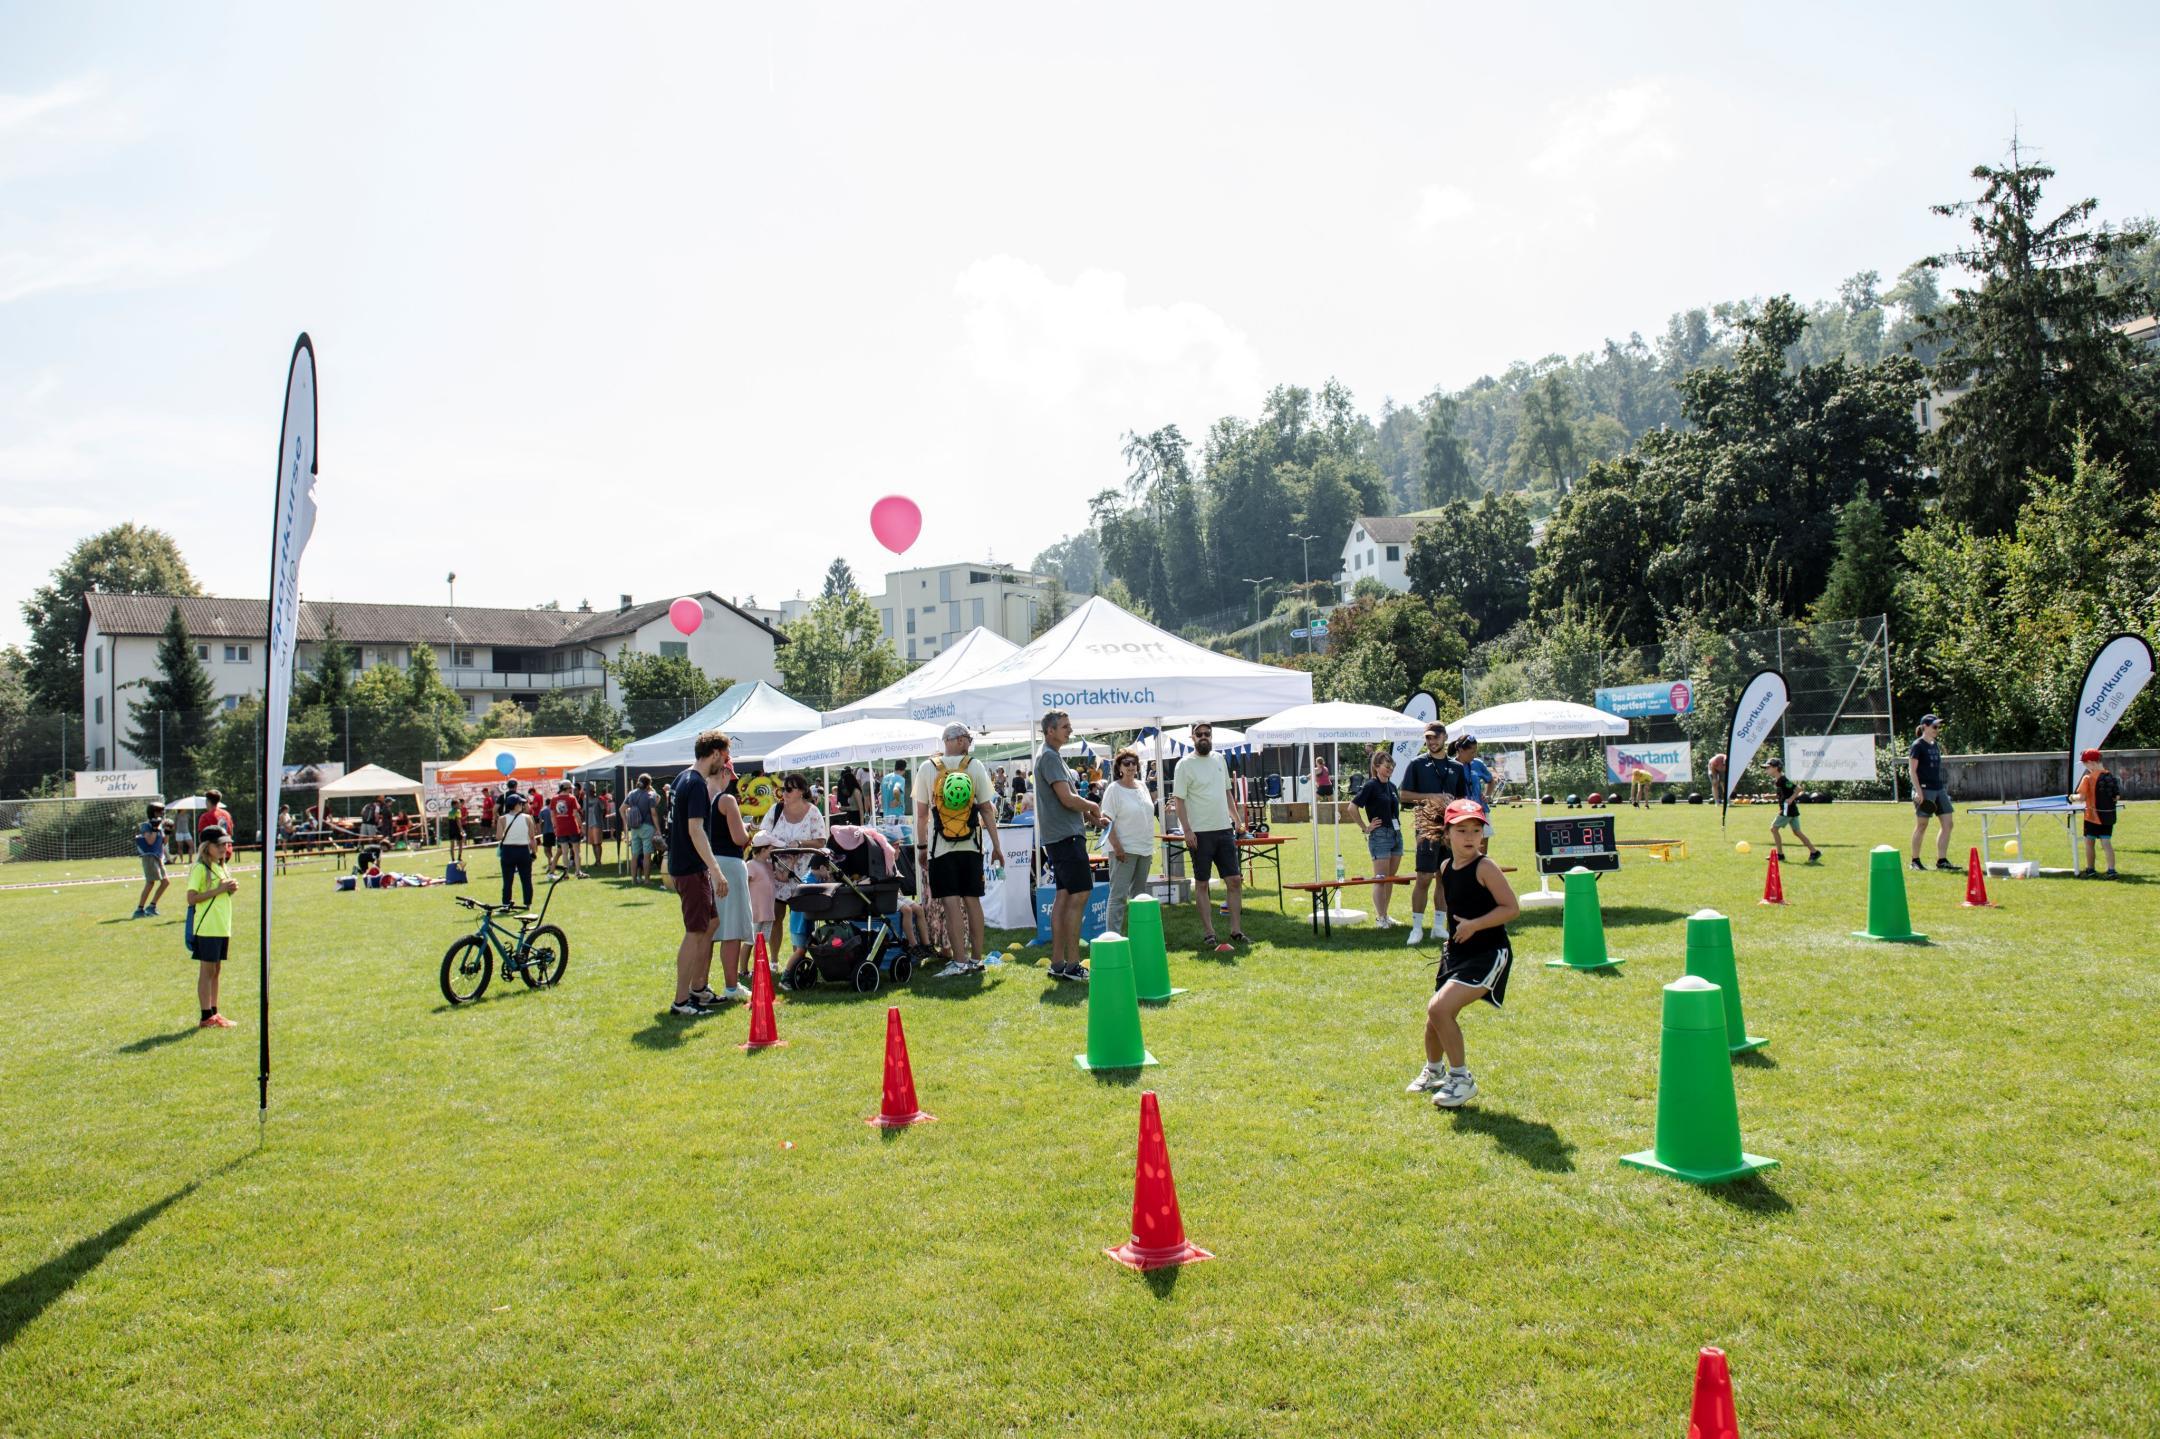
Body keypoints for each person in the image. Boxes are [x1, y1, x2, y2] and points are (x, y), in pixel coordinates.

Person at [1406, 800, 1519, 1109]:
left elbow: (1511, 908)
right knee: (1435, 1017)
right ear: (1447, 834)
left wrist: (1475, 925)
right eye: (1462, 830)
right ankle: (1435, 1072)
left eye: (1476, 830)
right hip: (1457, 952)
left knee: (1439, 1008)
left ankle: (1462, 1080)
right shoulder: (1445, 868)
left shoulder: (1485, 867)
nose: (1471, 837)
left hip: (1488, 953)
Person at [916, 723, 1008, 978]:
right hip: (971, 845)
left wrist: (922, 846)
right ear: (956, 740)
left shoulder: (927, 768)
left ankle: (959, 961)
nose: (969, 743)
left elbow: (922, 815)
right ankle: (976, 959)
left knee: (951, 903)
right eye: (968, 738)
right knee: (972, 901)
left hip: (940, 847)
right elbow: (986, 808)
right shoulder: (975, 766)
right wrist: (996, 846)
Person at [665, 729, 739, 1016]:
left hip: (686, 866)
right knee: (695, 932)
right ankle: (681, 1001)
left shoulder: (682, 778)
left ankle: (698, 988)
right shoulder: (695, 784)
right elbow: (695, 830)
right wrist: (716, 871)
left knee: (711, 922)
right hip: (691, 868)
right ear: (716, 754)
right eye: (726, 756)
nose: (726, 763)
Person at [1170, 721, 1243, 951]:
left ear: (1211, 737)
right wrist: (1187, 830)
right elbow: (1179, 801)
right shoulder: (1184, 765)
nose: (1204, 737)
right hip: (1199, 833)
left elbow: (1227, 792)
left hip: (1224, 829)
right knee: (1202, 883)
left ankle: (1236, 931)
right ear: (1192, 738)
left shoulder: (1219, 759)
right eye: (1199, 734)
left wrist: (1237, 818)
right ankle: (1209, 933)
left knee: (1234, 881)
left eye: (1207, 734)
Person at [1397, 723, 1465, 946]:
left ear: (1445, 737)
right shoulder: (1417, 764)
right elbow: (1403, 795)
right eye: (1428, 738)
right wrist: (1431, 797)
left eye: (1435, 737)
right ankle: (1416, 928)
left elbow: (1462, 798)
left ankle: (1438, 926)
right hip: (1426, 826)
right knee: (1424, 877)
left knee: (1445, 877)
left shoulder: (1456, 767)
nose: (1431, 741)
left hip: (1450, 827)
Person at [765, 773, 830, 968]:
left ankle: (797, 963)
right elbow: (763, 835)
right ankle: (774, 961)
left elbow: (821, 841)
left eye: (788, 789)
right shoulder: (776, 810)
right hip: (777, 874)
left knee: (800, 923)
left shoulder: (813, 812)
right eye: (782, 789)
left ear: (801, 791)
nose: (784, 793)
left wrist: (800, 844)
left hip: (803, 878)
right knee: (775, 917)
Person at [704, 761, 756, 1002]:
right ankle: (732, 987)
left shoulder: (699, 798)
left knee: (708, 930)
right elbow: (739, 838)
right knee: (731, 930)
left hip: (707, 864)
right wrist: (747, 831)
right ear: (724, 773)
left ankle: (701, 985)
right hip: (729, 866)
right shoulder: (727, 800)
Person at [185, 824, 241, 1029]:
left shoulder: (220, 866)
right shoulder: (201, 868)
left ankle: (214, 1012)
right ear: (207, 846)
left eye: (225, 845)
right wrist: (219, 890)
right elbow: (191, 898)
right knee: (207, 971)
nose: (223, 848)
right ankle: (205, 1016)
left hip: (221, 927)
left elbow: (220, 893)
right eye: (218, 845)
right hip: (207, 928)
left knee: (216, 971)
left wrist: (230, 889)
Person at [1101, 749, 1156, 933]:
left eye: (1134, 762)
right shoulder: (1113, 789)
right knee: (1118, 896)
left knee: (1140, 897)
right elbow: (1106, 820)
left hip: (1144, 849)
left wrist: (1149, 847)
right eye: (1126, 763)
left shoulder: (1142, 786)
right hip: (1123, 850)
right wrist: (1117, 847)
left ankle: (1139, 936)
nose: (1131, 766)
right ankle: (1113, 938)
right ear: (1119, 767)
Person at [1354, 748, 1403, 928]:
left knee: (1390, 878)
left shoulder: (1392, 786)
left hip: (1396, 834)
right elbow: (1352, 807)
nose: (1390, 768)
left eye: (1392, 766)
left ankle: (1385, 915)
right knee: (1380, 878)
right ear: (1376, 767)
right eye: (1386, 765)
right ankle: (1380, 918)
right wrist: (1365, 828)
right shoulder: (1371, 786)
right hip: (1380, 835)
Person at [1908, 714, 1957, 872]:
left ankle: (1942, 861)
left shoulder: (1935, 744)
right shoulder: (1917, 745)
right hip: (1924, 789)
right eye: (1934, 726)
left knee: (1948, 824)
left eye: (1938, 726)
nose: (1937, 729)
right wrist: (1918, 791)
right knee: (1922, 825)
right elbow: (1912, 771)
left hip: (1938, 788)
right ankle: (1915, 861)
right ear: (1925, 727)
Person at [2072, 748, 2120, 879]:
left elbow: (2081, 797)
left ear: (2091, 762)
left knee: (2089, 842)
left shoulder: (2087, 778)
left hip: (2092, 817)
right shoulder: (2110, 777)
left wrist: (2071, 797)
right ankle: (2111, 871)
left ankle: (2090, 870)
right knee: (2106, 843)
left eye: (2085, 764)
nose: (2085, 767)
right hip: (2108, 816)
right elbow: (2116, 797)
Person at [1766, 759, 1821, 864]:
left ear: (1776, 768)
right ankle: (1814, 852)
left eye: (1768, 767)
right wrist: (1770, 796)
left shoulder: (1783, 780)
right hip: (1792, 810)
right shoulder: (1778, 781)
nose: (1766, 770)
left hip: (1787, 809)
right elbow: (1782, 795)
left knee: (1773, 828)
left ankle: (1780, 855)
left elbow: (1798, 789)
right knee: (1797, 832)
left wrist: (1791, 799)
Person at [495, 793, 535, 909]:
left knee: (507, 880)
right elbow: (532, 837)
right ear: (516, 805)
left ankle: (506, 903)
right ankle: (527, 903)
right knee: (526, 879)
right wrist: (533, 852)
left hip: (508, 850)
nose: (522, 805)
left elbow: (498, 837)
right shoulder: (528, 818)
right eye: (521, 803)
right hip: (523, 850)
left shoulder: (502, 819)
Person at [133, 801, 171, 918]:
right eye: (160, 811)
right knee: (150, 882)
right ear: (153, 812)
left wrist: (167, 831)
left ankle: (152, 906)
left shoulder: (159, 825)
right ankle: (139, 909)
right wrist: (154, 829)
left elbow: (164, 842)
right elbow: (150, 841)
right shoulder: (146, 825)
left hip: (158, 857)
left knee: (165, 882)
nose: (162, 813)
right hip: (149, 856)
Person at [621, 774, 661, 885]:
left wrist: (627, 822)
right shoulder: (650, 795)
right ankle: (647, 880)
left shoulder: (631, 794)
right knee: (647, 855)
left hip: (634, 828)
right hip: (647, 827)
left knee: (634, 855)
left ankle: (633, 880)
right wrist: (658, 829)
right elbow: (654, 812)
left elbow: (621, 809)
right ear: (649, 784)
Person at [549, 782, 584, 878]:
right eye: (570, 788)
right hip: (572, 827)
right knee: (576, 852)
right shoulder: (572, 798)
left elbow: (552, 815)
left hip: (561, 829)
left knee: (564, 853)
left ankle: (566, 874)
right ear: (567, 788)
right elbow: (576, 814)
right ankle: (578, 872)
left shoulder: (554, 799)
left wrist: (555, 827)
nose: (571, 790)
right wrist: (581, 827)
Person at [880, 759, 910, 828]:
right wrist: (897, 800)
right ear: (904, 769)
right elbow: (896, 790)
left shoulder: (885, 778)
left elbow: (881, 795)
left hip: (886, 816)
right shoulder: (900, 779)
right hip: (897, 817)